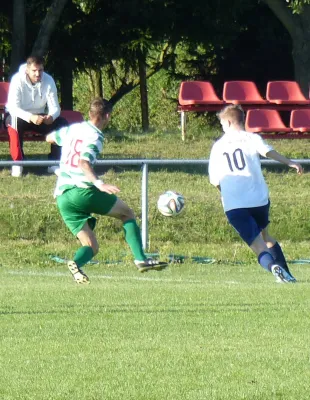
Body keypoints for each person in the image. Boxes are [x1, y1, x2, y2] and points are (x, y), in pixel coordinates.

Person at [46, 97, 168, 284]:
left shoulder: (74, 128)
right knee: (127, 214)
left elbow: (50, 138)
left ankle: (76, 264)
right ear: (107, 116)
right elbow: (83, 162)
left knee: (91, 245)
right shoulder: (96, 136)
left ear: (90, 113)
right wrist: (99, 183)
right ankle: (141, 259)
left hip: (62, 195)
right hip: (82, 192)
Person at [208, 104, 303, 283]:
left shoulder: (218, 146)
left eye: (222, 124)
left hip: (235, 205)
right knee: (266, 236)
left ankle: (274, 267)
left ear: (228, 122)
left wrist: (227, 194)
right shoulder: (252, 138)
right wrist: (290, 162)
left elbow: (214, 180)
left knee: (258, 246)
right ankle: (287, 275)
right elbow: (268, 152)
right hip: (259, 200)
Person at [6, 55, 68, 177]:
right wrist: (30, 117)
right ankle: (18, 162)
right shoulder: (17, 79)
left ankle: (54, 162)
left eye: (40, 70)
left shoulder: (49, 80)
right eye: (34, 71)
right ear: (27, 70)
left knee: (61, 123)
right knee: (14, 121)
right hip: (17, 115)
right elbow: (13, 107)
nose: (38, 74)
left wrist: (51, 117)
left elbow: (55, 107)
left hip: (40, 117)